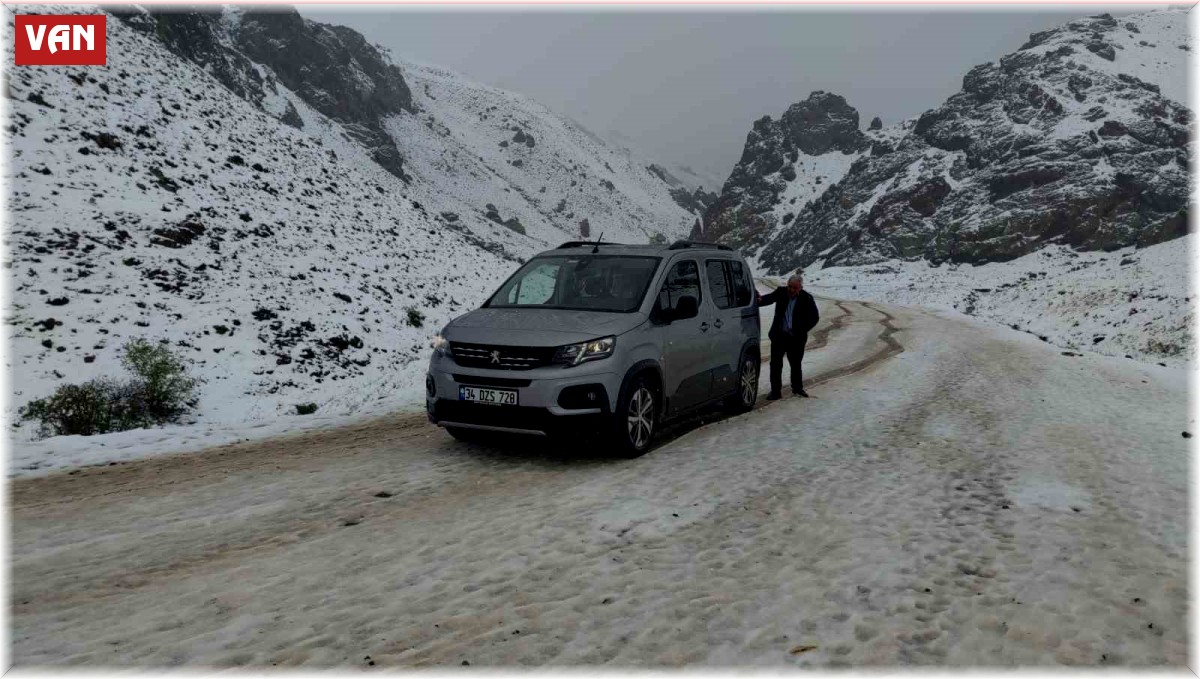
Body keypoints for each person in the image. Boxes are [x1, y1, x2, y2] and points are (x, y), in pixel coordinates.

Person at [756, 274, 819, 400]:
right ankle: (775, 392)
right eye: (790, 287)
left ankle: (797, 389)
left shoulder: (807, 298)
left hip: (796, 339)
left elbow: (814, 317)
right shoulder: (781, 292)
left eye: (795, 288)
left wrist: (801, 331)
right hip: (779, 336)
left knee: (795, 364)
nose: (791, 290)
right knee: (775, 365)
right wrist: (758, 300)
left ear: (800, 287)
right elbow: (768, 299)